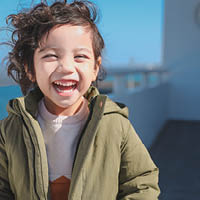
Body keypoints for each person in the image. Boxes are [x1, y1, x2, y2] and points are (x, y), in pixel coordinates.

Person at [0, 0, 160, 199]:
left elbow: (141, 183)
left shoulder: (114, 124)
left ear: (95, 67)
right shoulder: (11, 129)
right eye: (51, 55)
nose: (66, 67)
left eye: (80, 57)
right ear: (29, 68)